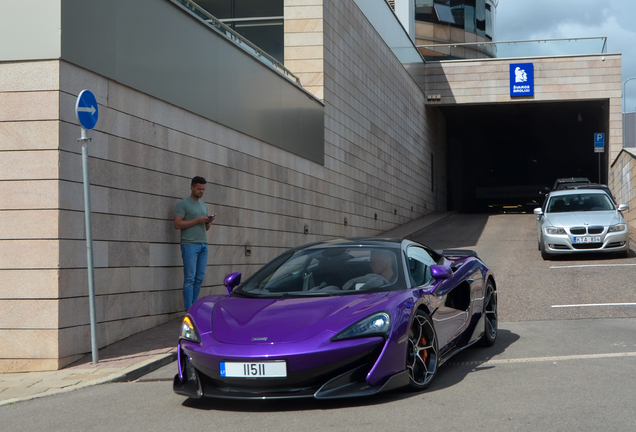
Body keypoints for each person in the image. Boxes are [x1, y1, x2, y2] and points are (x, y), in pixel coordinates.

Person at [174, 176, 215, 310]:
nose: (201, 191)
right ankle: (188, 308)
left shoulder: (203, 205)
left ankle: (193, 306)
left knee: (199, 278)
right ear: (192, 187)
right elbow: (177, 224)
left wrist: (208, 222)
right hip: (189, 245)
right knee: (190, 278)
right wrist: (197, 220)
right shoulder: (183, 204)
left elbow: (205, 228)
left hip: (203, 244)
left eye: (203, 189)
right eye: (199, 188)